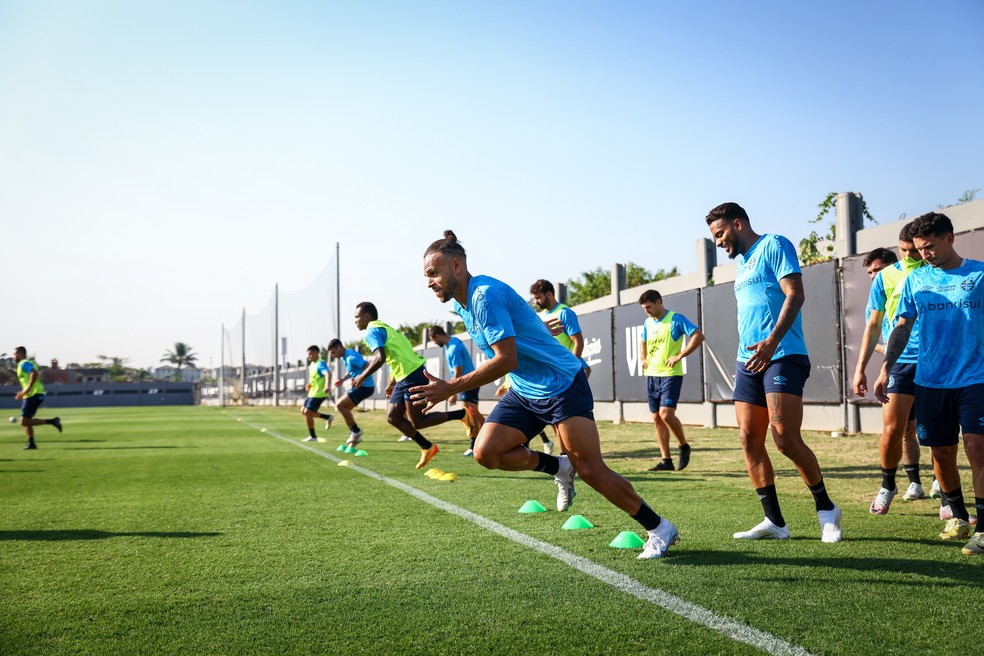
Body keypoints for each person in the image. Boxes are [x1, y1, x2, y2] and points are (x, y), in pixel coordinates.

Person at [413, 231, 679, 559]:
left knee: (592, 470)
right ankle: (558, 467)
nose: (429, 282)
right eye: (426, 276)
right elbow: (521, 327)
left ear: (456, 266)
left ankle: (659, 528)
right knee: (486, 452)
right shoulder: (465, 303)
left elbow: (506, 359)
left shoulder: (484, 295)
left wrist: (450, 387)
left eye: (433, 273)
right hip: (526, 391)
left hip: (563, 384)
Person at [705, 202, 842, 543]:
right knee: (749, 439)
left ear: (738, 224)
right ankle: (774, 522)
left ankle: (827, 511)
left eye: (720, 234)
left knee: (784, 439)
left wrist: (771, 341)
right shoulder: (743, 263)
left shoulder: (774, 245)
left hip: (782, 354)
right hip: (747, 360)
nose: (719, 242)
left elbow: (795, 294)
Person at [873, 212, 984, 555]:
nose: (925, 255)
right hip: (930, 379)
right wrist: (886, 368)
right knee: (941, 451)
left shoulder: (979, 273)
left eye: (930, 247)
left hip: (975, 376)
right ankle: (959, 517)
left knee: (978, 449)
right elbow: (902, 326)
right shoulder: (916, 280)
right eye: (920, 249)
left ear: (949, 239)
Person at [854, 224, 927, 515]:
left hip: (938, 362)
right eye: (903, 250)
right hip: (901, 361)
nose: (908, 256)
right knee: (893, 429)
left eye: (914, 250)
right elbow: (872, 326)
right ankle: (888, 485)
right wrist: (861, 368)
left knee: (935, 433)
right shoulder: (885, 277)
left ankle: (947, 497)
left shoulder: (937, 271)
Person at [350, 302, 473, 469]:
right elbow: (396, 357)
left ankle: (462, 414)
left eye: (357, 317)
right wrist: (392, 383)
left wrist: (362, 376)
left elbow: (380, 358)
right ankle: (427, 447)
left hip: (412, 375)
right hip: (403, 378)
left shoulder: (371, 331)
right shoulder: (386, 328)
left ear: (366, 316)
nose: (355, 320)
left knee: (418, 422)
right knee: (393, 417)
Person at [638, 289, 705, 471]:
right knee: (656, 417)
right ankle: (666, 461)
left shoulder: (676, 319)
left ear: (659, 302)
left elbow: (698, 336)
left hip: (670, 374)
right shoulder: (647, 322)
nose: (647, 311)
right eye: (644, 308)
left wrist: (680, 355)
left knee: (666, 414)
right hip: (651, 375)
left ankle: (683, 446)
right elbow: (643, 341)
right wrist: (643, 358)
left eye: (649, 307)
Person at [429, 325, 485, 456]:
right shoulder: (453, 342)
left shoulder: (453, 348)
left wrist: (452, 392)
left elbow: (458, 372)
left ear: (437, 336)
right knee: (474, 413)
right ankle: (483, 440)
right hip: (467, 383)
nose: (435, 344)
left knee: (469, 414)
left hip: (467, 383)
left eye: (434, 341)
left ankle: (474, 445)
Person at [530, 279, 591, 378]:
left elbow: (578, 343)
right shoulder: (541, 316)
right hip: (554, 372)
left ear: (549, 294)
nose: (536, 302)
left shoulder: (564, 312)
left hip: (567, 371)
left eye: (538, 298)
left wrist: (571, 368)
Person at [327, 339, 375, 447]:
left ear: (339, 347)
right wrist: (343, 379)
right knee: (345, 409)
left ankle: (356, 431)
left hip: (365, 387)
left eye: (333, 352)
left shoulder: (351, 357)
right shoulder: (345, 357)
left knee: (339, 404)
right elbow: (352, 370)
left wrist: (361, 378)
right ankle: (353, 439)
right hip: (359, 386)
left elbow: (368, 366)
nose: (333, 355)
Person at [12, 346, 61, 449]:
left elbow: (34, 373)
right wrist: (24, 392)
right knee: (26, 420)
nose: (13, 356)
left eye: (14, 354)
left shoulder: (23, 363)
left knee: (24, 421)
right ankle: (31, 443)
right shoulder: (27, 363)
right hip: (32, 394)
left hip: (34, 394)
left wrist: (26, 390)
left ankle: (52, 421)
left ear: (20, 354)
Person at [495, 376, 554, 454]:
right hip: (514, 392)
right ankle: (544, 442)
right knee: (524, 422)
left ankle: (540, 444)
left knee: (527, 422)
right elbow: (511, 375)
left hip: (523, 392)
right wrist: (503, 386)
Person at [301, 345, 334, 442]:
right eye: (308, 355)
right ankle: (327, 417)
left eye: (310, 354)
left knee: (308, 412)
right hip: (312, 392)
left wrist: (327, 386)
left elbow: (328, 374)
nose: (309, 356)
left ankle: (313, 436)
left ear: (316, 353)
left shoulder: (320, 363)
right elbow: (315, 378)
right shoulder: (312, 364)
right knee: (303, 411)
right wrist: (309, 384)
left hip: (320, 393)